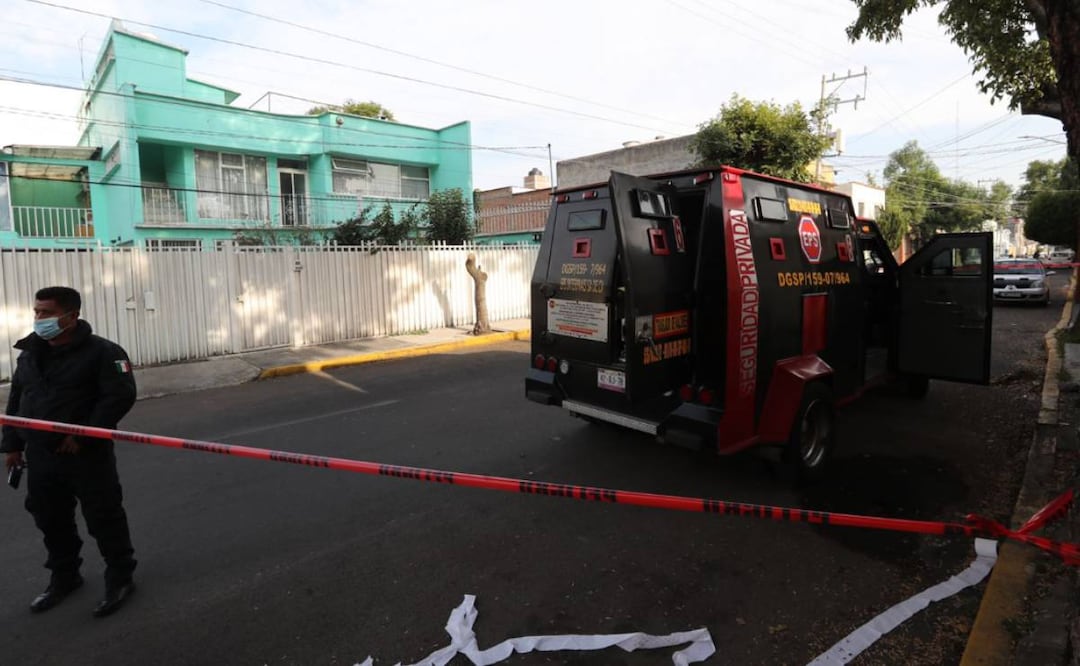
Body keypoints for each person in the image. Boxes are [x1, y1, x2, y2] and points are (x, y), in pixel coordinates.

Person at [2, 286, 138, 617]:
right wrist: (12, 444)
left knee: (104, 517)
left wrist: (84, 436)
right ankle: (65, 576)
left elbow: (119, 396)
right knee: (50, 518)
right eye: (36, 312)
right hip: (42, 456)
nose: (39, 319)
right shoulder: (29, 353)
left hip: (86, 455)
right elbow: (17, 399)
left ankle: (120, 576)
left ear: (71, 316)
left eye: (46, 313)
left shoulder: (104, 352)